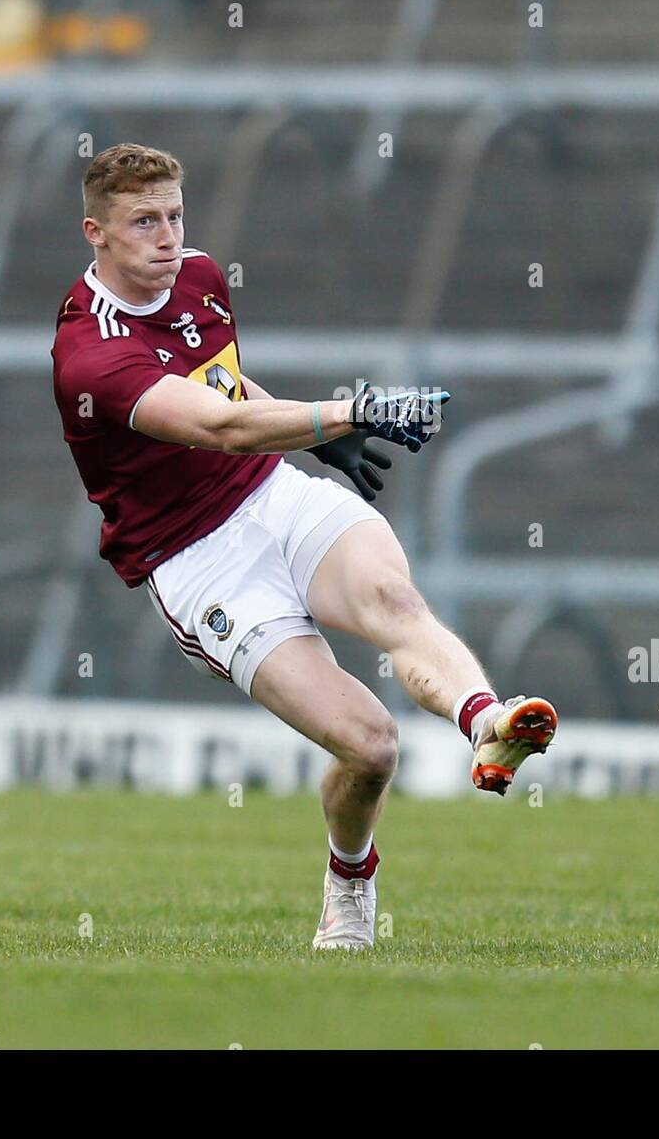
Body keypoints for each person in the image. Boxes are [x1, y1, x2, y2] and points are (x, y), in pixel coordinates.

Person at [52, 143, 558, 950]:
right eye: (143, 222)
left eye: (175, 215)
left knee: (395, 601)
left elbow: (225, 389)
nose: (167, 237)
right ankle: (349, 882)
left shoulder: (201, 277)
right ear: (96, 234)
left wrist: (312, 438)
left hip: (272, 495)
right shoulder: (89, 354)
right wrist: (346, 415)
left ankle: (486, 720)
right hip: (199, 564)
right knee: (371, 747)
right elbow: (214, 427)